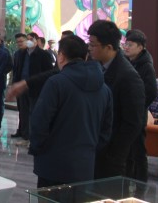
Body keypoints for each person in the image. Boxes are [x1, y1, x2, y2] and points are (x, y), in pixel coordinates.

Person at [29, 35, 113, 187]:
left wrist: (38, 149)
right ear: (85, 56)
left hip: (52, 166)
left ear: (61, 56)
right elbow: (106, 130)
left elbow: (39, 122)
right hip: (84, 166)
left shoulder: (56, 83)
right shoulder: (104, 89)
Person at [88, 19, 145, 179]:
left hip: (111, 157)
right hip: (94, 149)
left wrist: (114, 153)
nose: (89, 48)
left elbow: (133, 123)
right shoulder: (95, 66)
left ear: (108, 47)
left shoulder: (128, 77)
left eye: (93, 45)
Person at [122, 29, 157, 181]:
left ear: (141, 47)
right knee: (127, 151)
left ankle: (141, 184)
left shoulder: (146, 65)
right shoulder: (127, 62)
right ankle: (127, 180)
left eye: (130, 44)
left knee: (138, 151)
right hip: (126, 114)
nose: (126, 47)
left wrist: (138, 107)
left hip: (137, 115)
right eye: (125, 44)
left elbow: (151, 91)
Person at [9, 32, 54, 144]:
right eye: (27, 39)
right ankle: (24, 134)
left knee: (33, 113)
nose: (28, 41)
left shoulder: (43, 55)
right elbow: (17, 70)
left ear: (36, 41)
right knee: (23, 112)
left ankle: (31, 137)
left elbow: (49, 72)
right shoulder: (22, 54)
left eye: (31, 39)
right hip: (22, 87)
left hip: (35, 88)